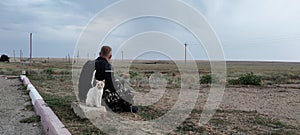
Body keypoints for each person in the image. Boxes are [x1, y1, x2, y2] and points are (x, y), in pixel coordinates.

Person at [95, 46, 138, 113]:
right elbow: (112, 87)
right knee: (129, 91)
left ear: (99, 53)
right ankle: (125, 107)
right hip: (100, 97)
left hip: (87, 96)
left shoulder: (90, 64)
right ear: (110, 56)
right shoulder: (107, 66)